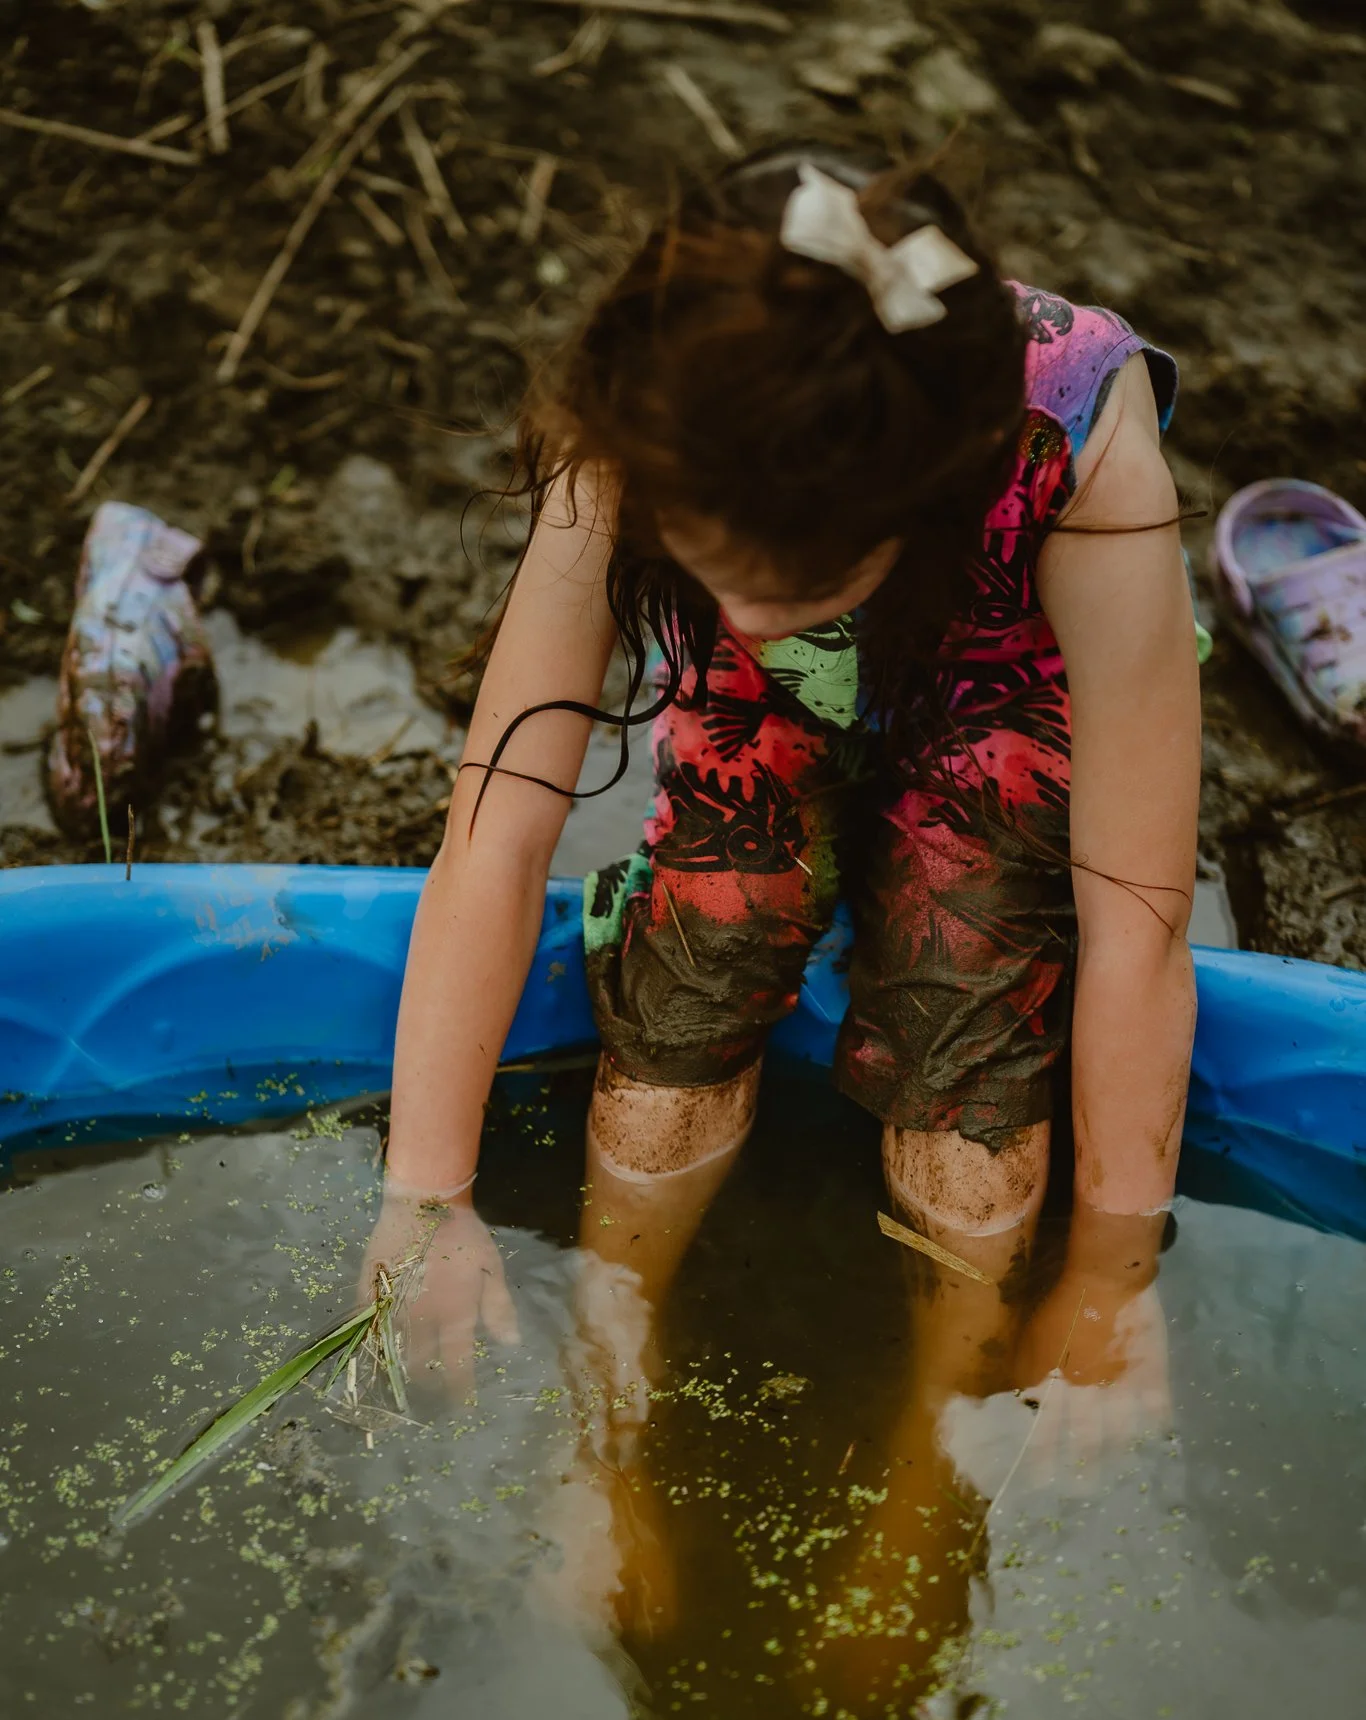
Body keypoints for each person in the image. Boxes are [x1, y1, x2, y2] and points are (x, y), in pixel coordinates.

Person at [365, 142, 1199, 1450]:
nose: (747, 610)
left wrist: (1109, 1282)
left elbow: (1138, 903)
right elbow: (503, 819)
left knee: (968, 1058)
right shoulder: (646, 422)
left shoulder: (1071, 440)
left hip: (995, 695)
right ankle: (612, 1407)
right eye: (714, 571)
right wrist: (425, 1200)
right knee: (696, 954)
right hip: (761, 712)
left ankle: (938, 1456)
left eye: (795, 586)